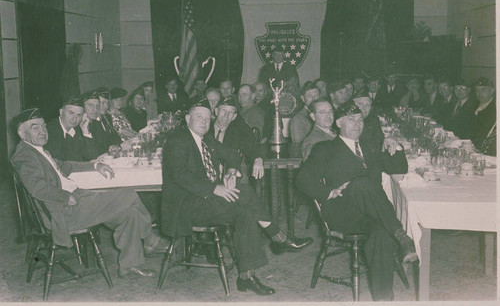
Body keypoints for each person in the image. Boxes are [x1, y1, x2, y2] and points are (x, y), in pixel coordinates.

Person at [161, 99, 311, 296]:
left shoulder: (206, 139)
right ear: (188, 119)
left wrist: (231, 171)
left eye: (207, 118)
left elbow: (232, 154)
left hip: (206, 202)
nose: (205, 122)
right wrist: (215, 188)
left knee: (245, 213)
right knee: (246, 193)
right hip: (186, 206)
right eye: (199, 117)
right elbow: (179, 175)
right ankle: (278, 236)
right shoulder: (177, 140)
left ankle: (246, 277)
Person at [11, 108, 167, 278]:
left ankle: (129, 266)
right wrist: (65, 196)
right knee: (128, 193)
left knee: (130, 213)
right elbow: (37, 187)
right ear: (22, 133)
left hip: (77, 200)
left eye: (43, 126)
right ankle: (150, 239)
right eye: (35, 127)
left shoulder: (38, 150)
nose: (42, 131)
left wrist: (95, 165)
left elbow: (65, 166)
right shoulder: (24, 155)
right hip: (64, 212)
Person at [297, 102, 417, 301]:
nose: (357, 123)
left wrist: (395, 147)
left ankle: (383, 299)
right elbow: (303, 179)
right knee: (361, 184)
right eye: (351, 119)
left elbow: (398, 169)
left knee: (380, 233)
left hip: (373, 214)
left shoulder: (370, 147)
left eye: (360, 119)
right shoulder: (325, 148)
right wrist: (328, 192)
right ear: (338, 123)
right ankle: (401, 235)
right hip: (342, 212)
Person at [45, 95, 98, 162]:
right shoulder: (50, 131)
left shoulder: (77, 128)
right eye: (71, 113)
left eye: (79, 115)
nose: (74, 118)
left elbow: (93, 156)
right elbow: (62, 164)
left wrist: (85, 132)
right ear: (61, 112)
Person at [83, 90, 122, 157]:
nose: (106, 106)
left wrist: (114, 145)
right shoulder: (81, 124)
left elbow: (115, 137)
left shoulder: (104, 118)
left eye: (97, 106)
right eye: (103, 103)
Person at [289, 81, 320, 157]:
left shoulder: (324, 114)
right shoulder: (298, 119)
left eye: (316, 95)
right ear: (303, 98)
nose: (314, 99)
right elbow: (300, 147)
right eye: (309, 96)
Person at [471, 77, 496, 156]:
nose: (480, 93)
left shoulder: (494, 109)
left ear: (492, 91)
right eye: (477, 90)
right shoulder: (474, 105)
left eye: (483, 89)